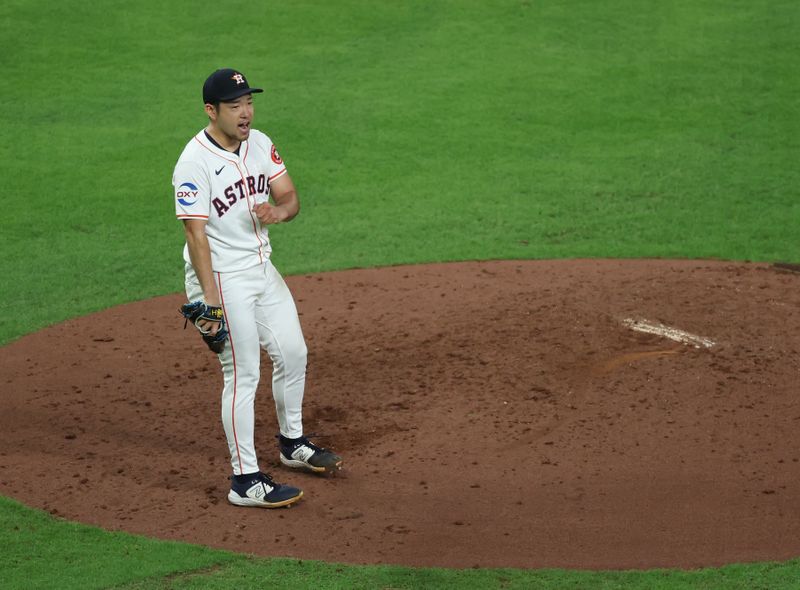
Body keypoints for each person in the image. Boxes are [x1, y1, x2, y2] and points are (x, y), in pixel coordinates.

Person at [173, 68, 342, 509]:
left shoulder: (261, 143)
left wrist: (280, 214)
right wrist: (208, 301)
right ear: (212, 111)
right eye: (235, 106)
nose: (245, 112)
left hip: (260, 268)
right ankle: (244, 480)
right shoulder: (193, 163)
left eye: (248, 102)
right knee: (242, 372)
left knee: (293, 352)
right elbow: (196, 236)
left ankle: (292, 443)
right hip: (221, 278)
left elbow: (290, 197)